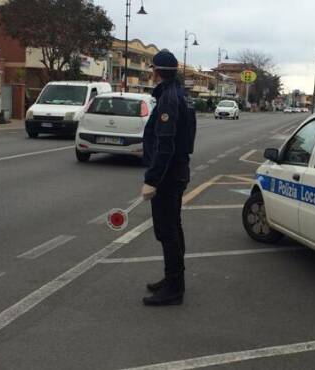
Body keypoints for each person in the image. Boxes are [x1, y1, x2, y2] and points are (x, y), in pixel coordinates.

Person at [141, 50, 195, 306]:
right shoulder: (179, 95)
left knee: (167, 231)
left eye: (152, 69)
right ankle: (172, 279)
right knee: (173, 228)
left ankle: (174, 287)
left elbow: (165, 145)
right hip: (176, 171)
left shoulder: (169, 100)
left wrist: (152, 179)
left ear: (157, 71)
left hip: (168, 175)